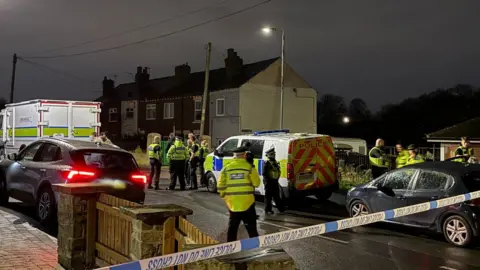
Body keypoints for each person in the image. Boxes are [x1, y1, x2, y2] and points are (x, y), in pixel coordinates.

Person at [217, 146, 260, 242]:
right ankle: (256, 249)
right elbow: (256, 183)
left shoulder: (226, 168)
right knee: (252, 229)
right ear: (244, 155)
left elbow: (220, 185)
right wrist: (252, 166)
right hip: (247, 203)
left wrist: (225, 197)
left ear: (234, 156)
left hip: (233, 203)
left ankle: (230, 250)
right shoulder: (249, 167)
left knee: (232, 228)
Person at [262, 147, 285, 215]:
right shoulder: (266, 163)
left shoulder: (275, 162)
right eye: (272, 154)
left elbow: (278, 171)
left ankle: (281, 209)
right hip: (269, 182)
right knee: (268, 197)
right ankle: (268, 209)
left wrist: (276, 179)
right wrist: (269, 181)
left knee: (276, 196)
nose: (274, 155)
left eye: (274, 154)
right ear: (269, 155)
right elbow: (264, 173)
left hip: (275, 181)